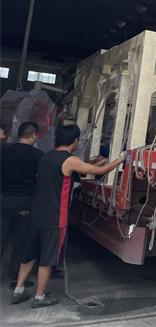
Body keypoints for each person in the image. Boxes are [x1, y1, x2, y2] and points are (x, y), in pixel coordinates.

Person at [11, 124, 122, 308]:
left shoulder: (46, 156)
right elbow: (99, 172)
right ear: (75, 140)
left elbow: (81, 169)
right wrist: (120, 160)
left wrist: (96, 161)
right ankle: (39, 297)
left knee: (29, 255)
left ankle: (19, 290)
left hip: (36, 214)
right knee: (47, 259)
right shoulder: (70, 160)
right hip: (55, 217)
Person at [0, 121, 43, 289]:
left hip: (2, 199)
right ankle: (15, 278)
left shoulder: (3, 151)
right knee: (20, 240)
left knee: (1, 237)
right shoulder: (37, 155)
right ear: (33, 136)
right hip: (24, 201)